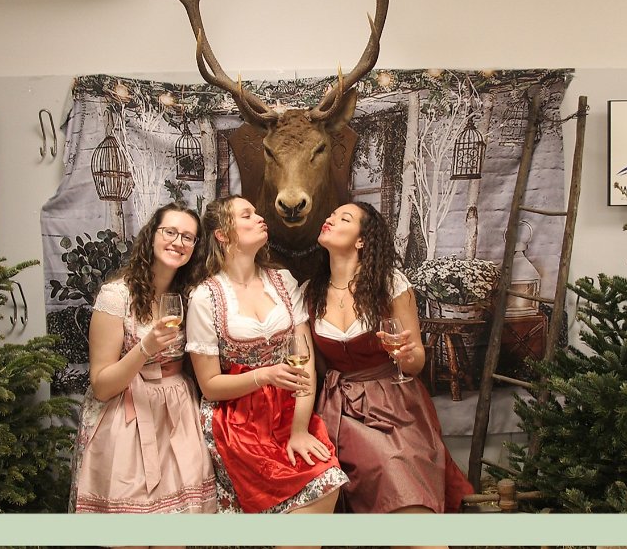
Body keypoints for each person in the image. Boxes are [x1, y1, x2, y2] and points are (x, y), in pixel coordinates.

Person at [305, 201, 475, 517]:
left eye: (344, 218)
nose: (330, 219)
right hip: (337, 407)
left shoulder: (390, 283)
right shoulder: (309, 293)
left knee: (397, 469)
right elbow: (315, 367)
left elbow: (416, 362)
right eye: (331, 215)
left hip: (393, 404)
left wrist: (405, 354)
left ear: (361, 240)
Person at [186, 195, 347, 519]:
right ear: (222, 234)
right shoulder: (206, 297)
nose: (260, 218)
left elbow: (304, 361)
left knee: (327, 480)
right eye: (246, 215)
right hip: (238, 420)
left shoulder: (282, 281)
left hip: (290, 410)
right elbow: (210, 386)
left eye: (256, 213)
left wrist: (299, 429)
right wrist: (264, 376)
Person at [69, 203, 216, 515]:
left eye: (188, 237)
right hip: (125, 416)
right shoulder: (116, 296)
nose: (178, 242)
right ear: (151, 236)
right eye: (170, 232)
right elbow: (101, 386)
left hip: (178, 414)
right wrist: (145, 348)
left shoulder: (192, 295)